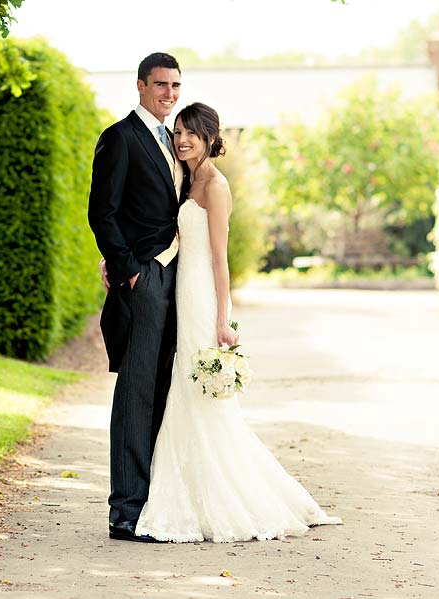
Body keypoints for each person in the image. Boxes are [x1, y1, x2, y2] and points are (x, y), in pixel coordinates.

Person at [134, 102, 342, 542]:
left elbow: (219, 258)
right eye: (178, 132)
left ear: (211, 136)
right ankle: (187, 488)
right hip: (180, 291)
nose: (183, 139)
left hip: (201, 298)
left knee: (197, 391)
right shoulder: (187, 180)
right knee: (183, 386)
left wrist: (223, 320)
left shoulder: (215, 185)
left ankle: (216, 496)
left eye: (192, 132)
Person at [88, 52, 187, 543]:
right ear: (141, 86)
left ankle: (155, 504)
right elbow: (101, 213)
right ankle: (125, 512)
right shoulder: (120, 137)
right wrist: (128, 272)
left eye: (175, 86)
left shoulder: (178, 140)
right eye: (161, 85)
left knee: (168, 392)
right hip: (145, 280)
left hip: (181, 282)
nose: (169, 94)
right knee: (136, 392)